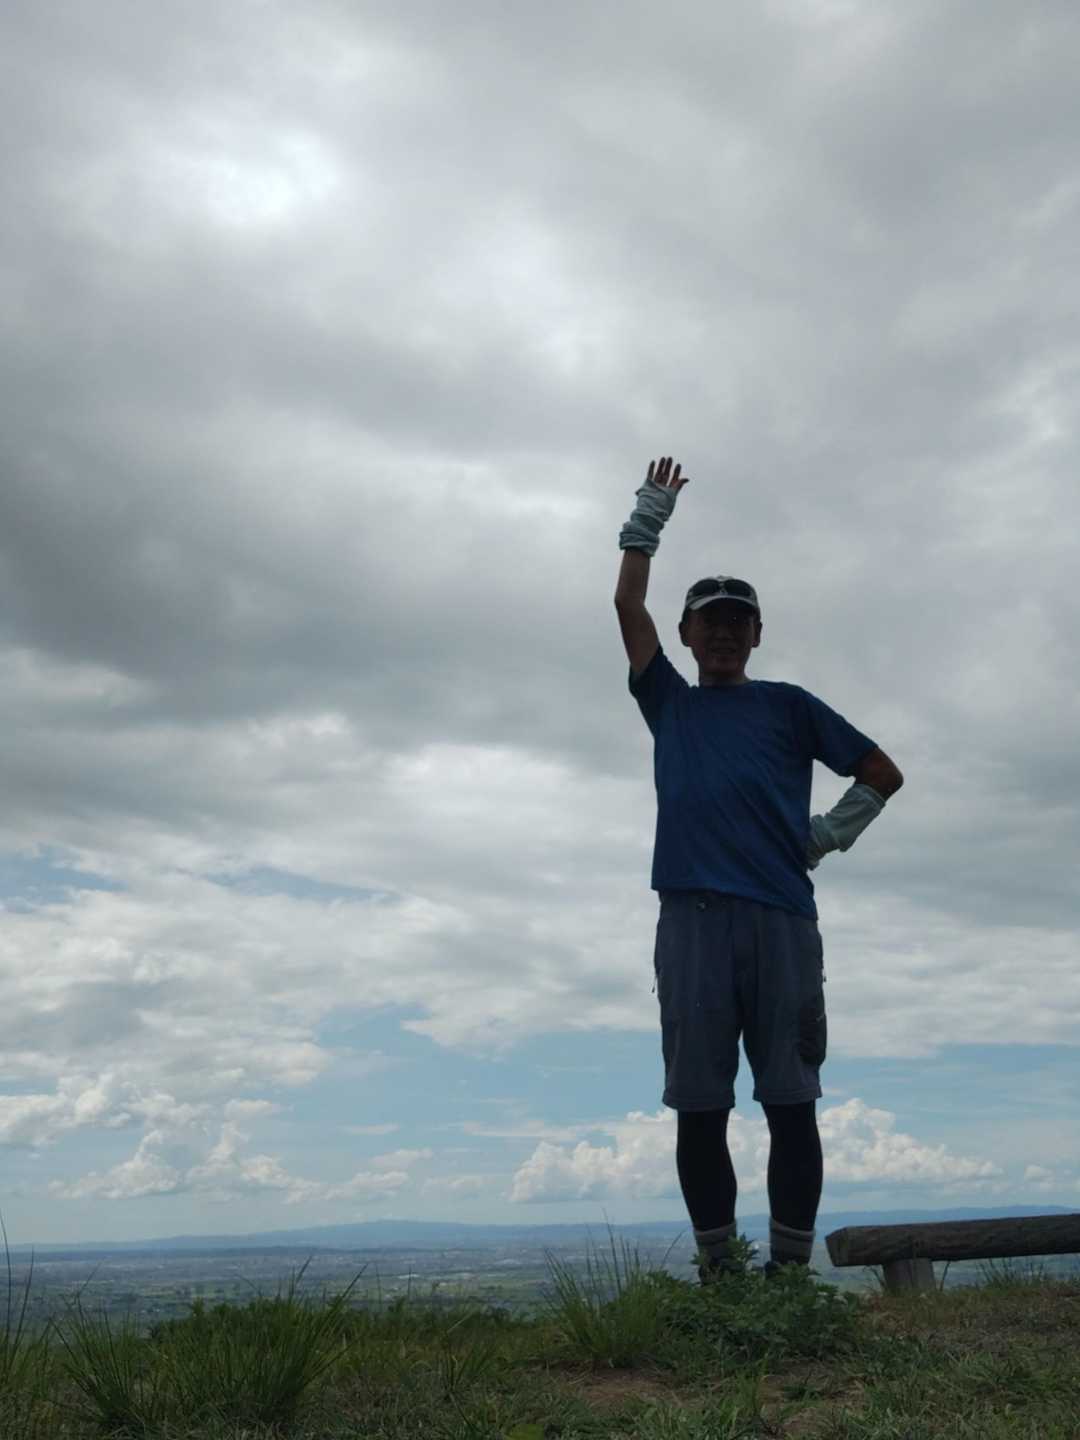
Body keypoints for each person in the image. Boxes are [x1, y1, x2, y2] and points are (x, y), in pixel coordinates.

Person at [615, 456, 903, 1281]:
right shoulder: (669, 703)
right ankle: (722, 1276)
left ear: (757, 634)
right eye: (710, 621)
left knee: (791, 1102)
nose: (724, 633)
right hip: (693, 922)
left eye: (738, 622)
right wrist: (649, 514)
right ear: (686, 634)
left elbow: (881, 771)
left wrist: (824, 835)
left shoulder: (789, 705)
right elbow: (627, 604)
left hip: (781, 920)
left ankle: (788, 1276)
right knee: (700, 1106)